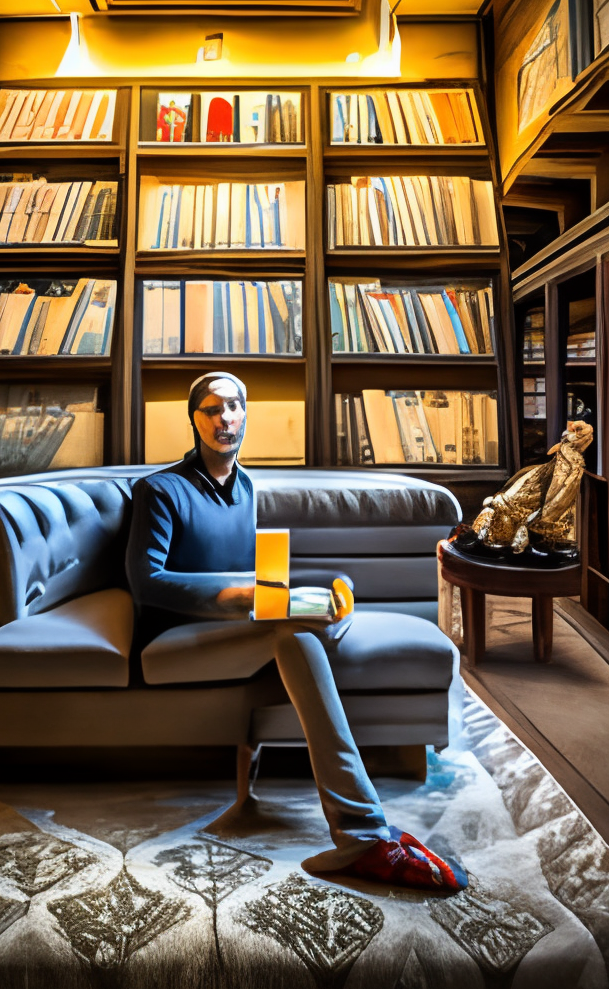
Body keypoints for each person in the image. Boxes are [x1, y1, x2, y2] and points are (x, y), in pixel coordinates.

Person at [125, 371, 467, 892]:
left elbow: (254, 574)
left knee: (309, 623)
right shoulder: (160, 489)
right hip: (174, 644)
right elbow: (147, 583)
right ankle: (364, 837)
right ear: (194, 419)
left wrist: (316, 592)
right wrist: (250, 597)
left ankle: (365, 837)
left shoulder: (244, 486)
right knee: (294, 631)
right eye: (213, 409)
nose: (226, 418)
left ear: (246, 414)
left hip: (237, 636)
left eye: (235, 406)